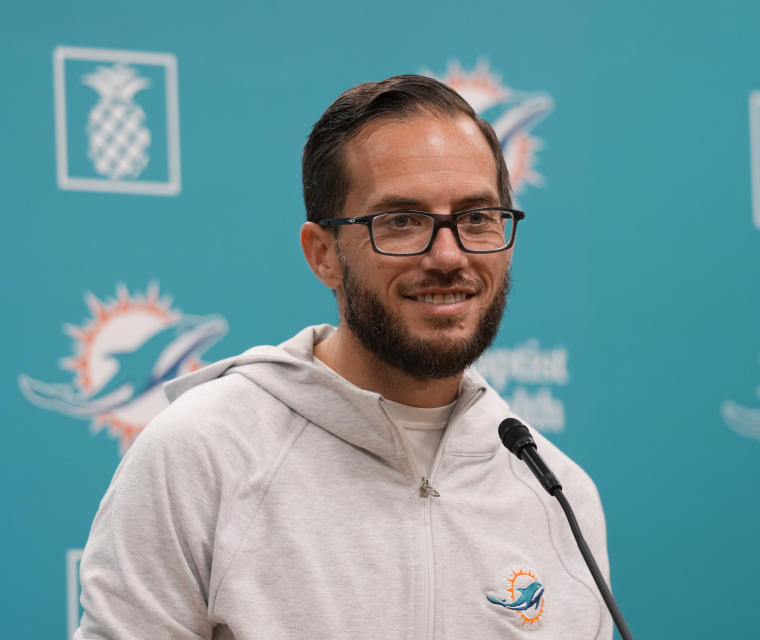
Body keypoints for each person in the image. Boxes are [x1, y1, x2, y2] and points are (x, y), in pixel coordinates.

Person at [76, 74, 613, 639]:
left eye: (477, 217)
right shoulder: (201, 456)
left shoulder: (557, 492)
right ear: (323, 255)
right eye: (402, 222)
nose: (449, 255)